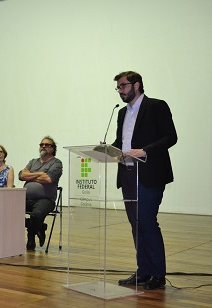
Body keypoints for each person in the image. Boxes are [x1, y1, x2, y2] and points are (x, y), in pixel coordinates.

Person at [112, 71, 177, 290]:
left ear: (136, 85)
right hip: (127, 174)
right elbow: (120, 142)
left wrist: (145, 151)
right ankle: (144, 271)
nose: (120, 91)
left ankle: (158, 274)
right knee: (135, 224)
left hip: (149, 172)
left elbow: (170, 137)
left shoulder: (156, 106)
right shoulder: (121, 113)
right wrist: (108, 150)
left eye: (123, 86)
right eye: (118, 87)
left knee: (147, 222)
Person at [19, 136, 62, 251]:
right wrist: (40, 174)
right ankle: (39, 227)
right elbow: (21, 175)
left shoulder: (56, 163)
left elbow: (48, 179)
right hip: (26, 198)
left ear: (53, 148)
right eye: (41, 144)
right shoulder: (33, 162)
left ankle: (31, 237)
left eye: (47, 145)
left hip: (46, 200)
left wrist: (31, 176)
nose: (43, 146)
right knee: (8, 209)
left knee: (36, 215)